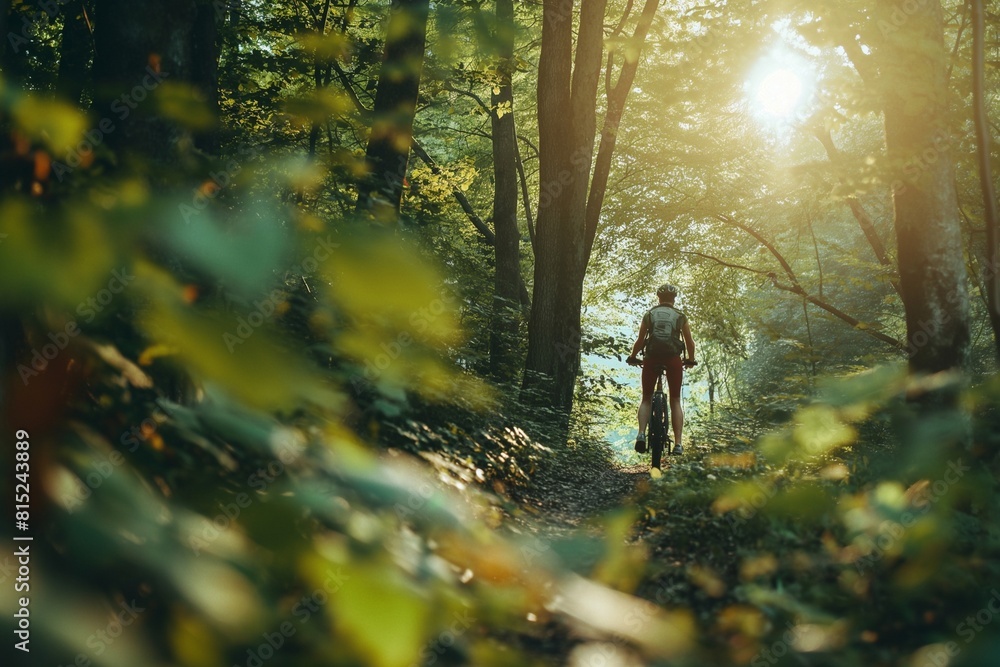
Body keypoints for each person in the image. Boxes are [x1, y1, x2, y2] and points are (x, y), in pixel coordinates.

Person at [626, 283, 696, 457]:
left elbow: (641, 340)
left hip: (651, 358)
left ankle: (641, 434)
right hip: (673, 360)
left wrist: (633, 356)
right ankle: (678, 444)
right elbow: (689, 342)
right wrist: (690, 360)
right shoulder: (680, 316)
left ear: (659, 298)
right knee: (675, 399)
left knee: (647, 398)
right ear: (674, 299)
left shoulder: (649, 314)